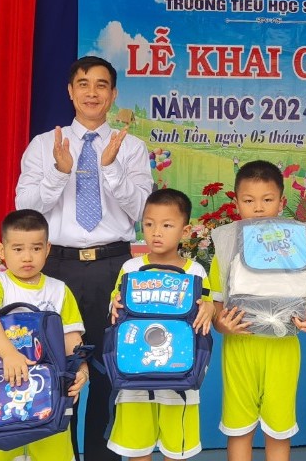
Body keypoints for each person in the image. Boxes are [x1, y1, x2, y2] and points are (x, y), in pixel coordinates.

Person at [14, 55, 152, 461]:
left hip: (114, 267)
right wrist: (59, 173)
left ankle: (102, 457)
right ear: (70, 91)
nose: (92, 92)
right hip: (58, 269)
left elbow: (142, 212)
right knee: (60, 372)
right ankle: (62, 454)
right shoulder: (43, 145)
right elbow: (26, 209)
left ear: (113, 94)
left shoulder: (132, 148)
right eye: (84, 84)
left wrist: (110, 169)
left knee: (112, 371)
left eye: (102, 85)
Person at [209, 160, 306, 461]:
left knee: (278, 429)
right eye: (249, 200)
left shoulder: (295, 243)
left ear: (281, 202)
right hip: (240, 349)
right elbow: (216, 310)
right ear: (236, 202)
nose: (258, 208)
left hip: (283, 349)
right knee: (239, 428)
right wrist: (223, 325)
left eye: (267, 199)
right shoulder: (226, 247)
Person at [0, 209, 89, 461]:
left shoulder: (59, 290)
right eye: (17, 249)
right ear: (2, 251)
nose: (27, 257)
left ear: (47, 249)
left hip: (49, 395)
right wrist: (9, 354)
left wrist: (81, 371)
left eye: (36, 249)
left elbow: (72, 339)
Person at [106, 188, 215, 461]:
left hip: (180, 375)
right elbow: (115, 307)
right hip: (135, 374)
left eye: (167, 225)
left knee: (175, 449)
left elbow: (206, 308)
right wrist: (115, 305)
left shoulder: (195, 271)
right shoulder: (130, 268)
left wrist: (210, 308)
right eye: (149, 223)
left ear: (185, 229)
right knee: (137, 448)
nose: (156, 232)